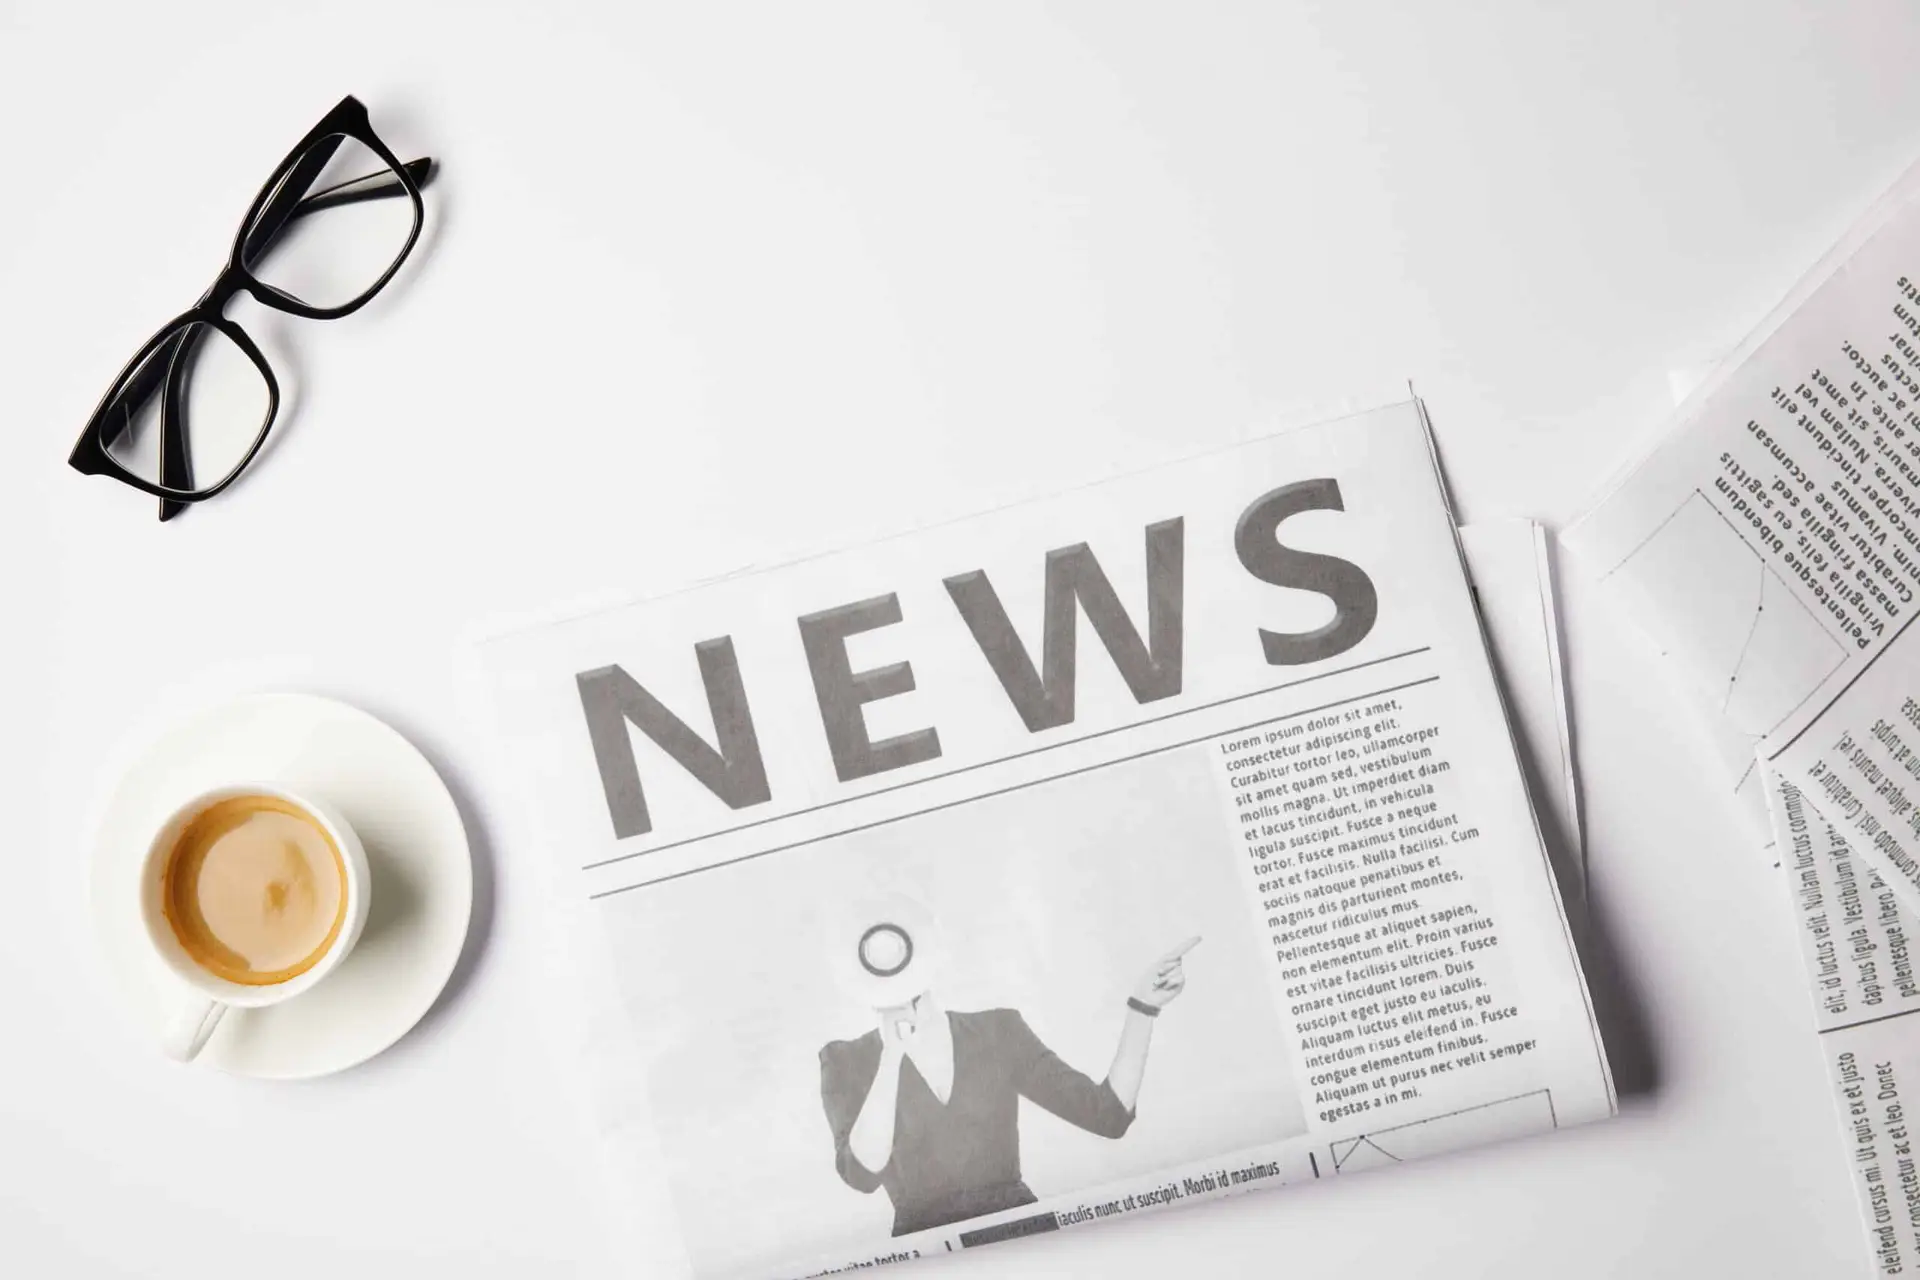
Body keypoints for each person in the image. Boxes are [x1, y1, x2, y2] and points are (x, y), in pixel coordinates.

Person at [817, 904, 1195, 1237]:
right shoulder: (845, 1062)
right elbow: (862, 1175)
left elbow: (1107, 1116)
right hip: (930, 1249)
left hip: (1021, 1234)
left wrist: (1142, 1008)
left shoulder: (998, 1032)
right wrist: (891, 1056)